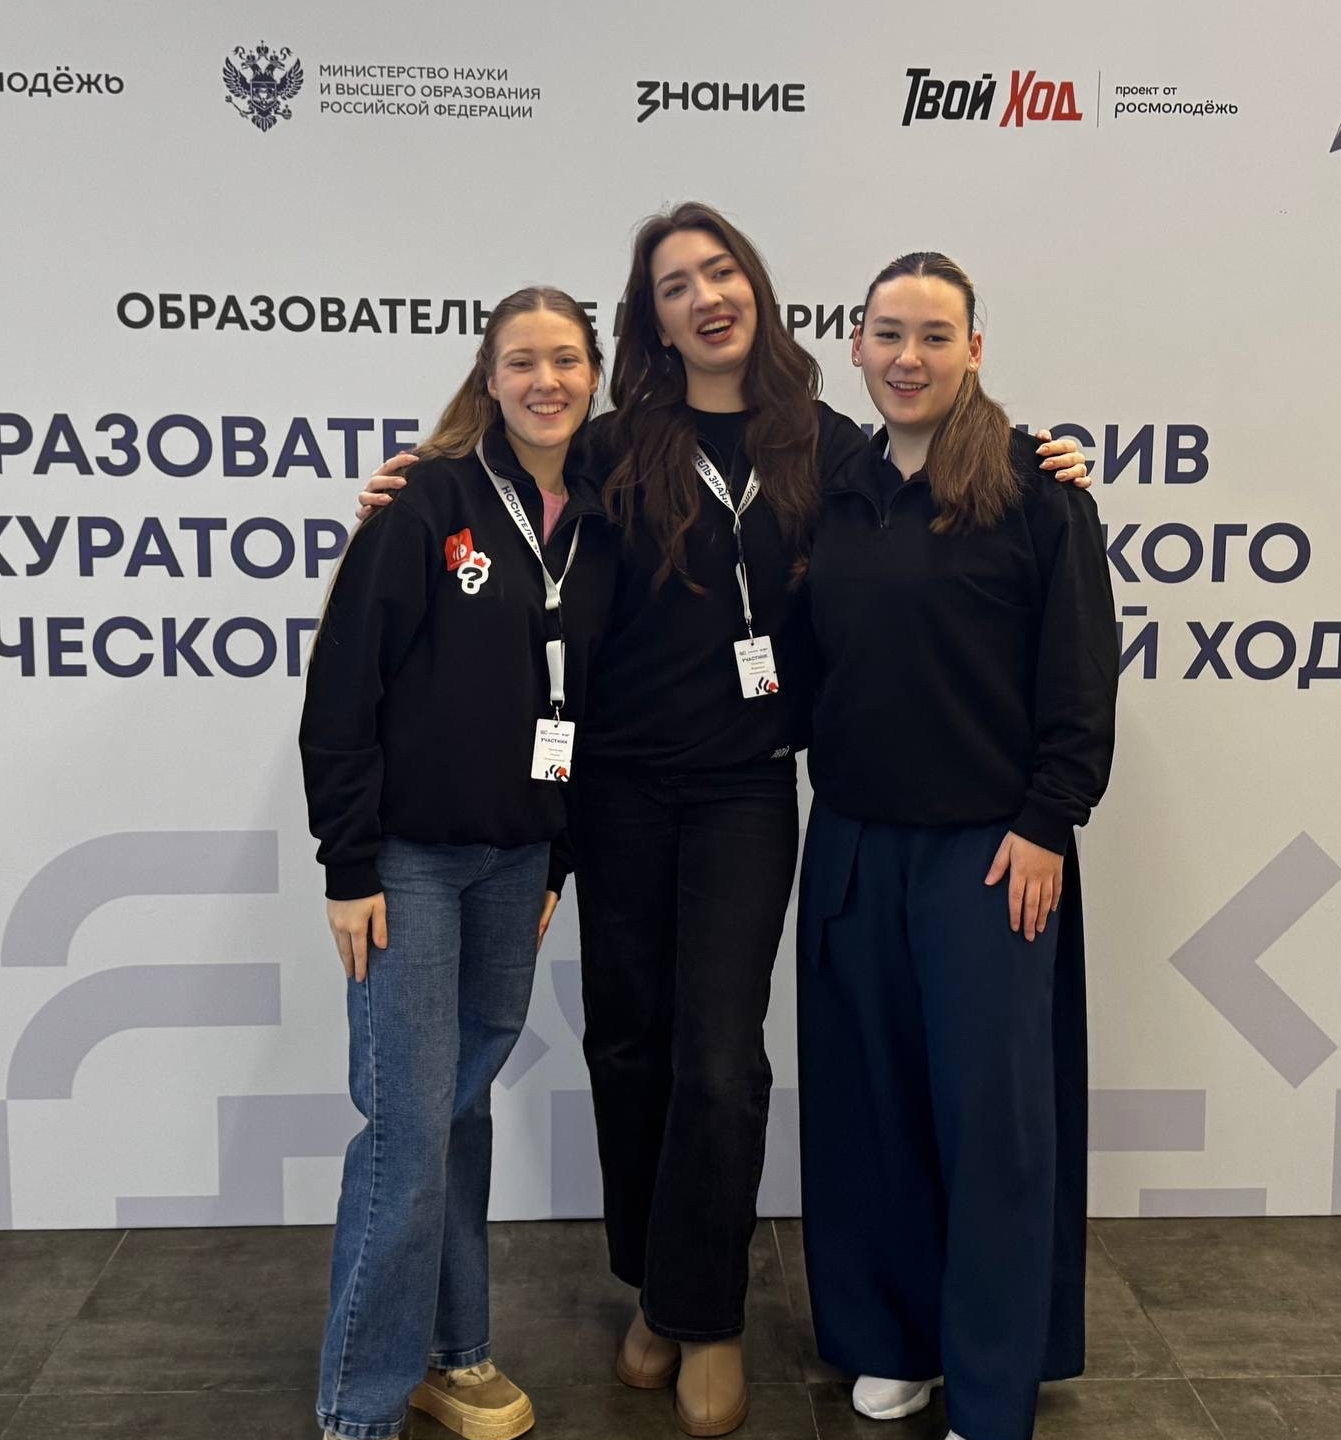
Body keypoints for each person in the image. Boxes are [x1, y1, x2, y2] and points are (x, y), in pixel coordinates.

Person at [360, 203, 1089, 1437]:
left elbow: (945, 464)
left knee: (717, 1058)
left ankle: (707, 1318)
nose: (703, 297)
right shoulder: (608, 447)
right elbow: (501, 504)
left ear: (755, 287)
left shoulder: (832, 447)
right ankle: (654, 1286)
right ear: (649, 320)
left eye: (719, 272)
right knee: (627, 1048)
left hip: (746, 789)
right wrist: (415, 482)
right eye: (672, 285)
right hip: (610, 790)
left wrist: (1046, 456)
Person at [794, 252, 1117, 1440]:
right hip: (852, 843)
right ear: (855, 344)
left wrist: (1047, 819)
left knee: (992, 1126)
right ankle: (895, 1343)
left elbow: (1079, 670)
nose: (908, 357)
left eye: (934, 336)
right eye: (888, 334)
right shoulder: (831, 489)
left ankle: (988, 1385)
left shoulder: (1037, 489)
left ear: (974, 349)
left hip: (991, 852)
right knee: (870, 1108)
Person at [298, 286, 615, 1440]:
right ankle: (358, 1406)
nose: (545, 381)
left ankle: (455, 1354)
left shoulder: (599, 521)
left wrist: (555, 863)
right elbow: (344, 685)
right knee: (406, 1133)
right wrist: (349, 866)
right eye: (521, 361)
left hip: (516, 863)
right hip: (410, 867)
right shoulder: (427, 498)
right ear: (488, 379)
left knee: (456, 1113)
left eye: (565, 360)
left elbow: (584, 707)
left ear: (594, 375)